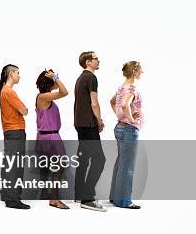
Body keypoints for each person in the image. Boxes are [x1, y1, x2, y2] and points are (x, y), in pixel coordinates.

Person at [74, 51, 107, 212]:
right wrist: (99, 121)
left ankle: (79, 193)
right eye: (96, 59)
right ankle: (87, 198)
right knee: (100, 159)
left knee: (84, 159)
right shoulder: (91, 78)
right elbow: (94, 103)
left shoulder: (81, 78)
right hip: (88, 125)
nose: (98, 60)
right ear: (88, 62)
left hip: (80, 125)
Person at [108, 61, 144, 209]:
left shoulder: (122, 87)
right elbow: (124, 104)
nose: (142, 72)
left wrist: (121, 117)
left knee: (120, 164)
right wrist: (130, 119)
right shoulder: (131, 88)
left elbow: (112, 102)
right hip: (129, 130)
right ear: (135, 71)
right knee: (127, 167)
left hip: (120, 128)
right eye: (141, 70)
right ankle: (123, 201)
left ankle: (114, 198)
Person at [0, 64, 31, 209]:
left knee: (9, 164)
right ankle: (13, 199)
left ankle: (6, 193)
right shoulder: (9, 92)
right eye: (17, 73)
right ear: (11, 73)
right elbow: (24, 110)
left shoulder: (3, 91)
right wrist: (24, 109)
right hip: (16, 131)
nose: (19, 75)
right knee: (15, 166)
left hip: (9, 132)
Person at [35, 69, 69, 209]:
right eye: (54, 79)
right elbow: (64, 92)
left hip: (43, 135)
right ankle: (54, 199)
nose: (56, 80)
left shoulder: (42, 97)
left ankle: (45, 192)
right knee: (60, 165)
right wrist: (56, 77)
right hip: (51, 136)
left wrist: (54, 77)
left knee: (45, 165)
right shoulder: (44, 97)